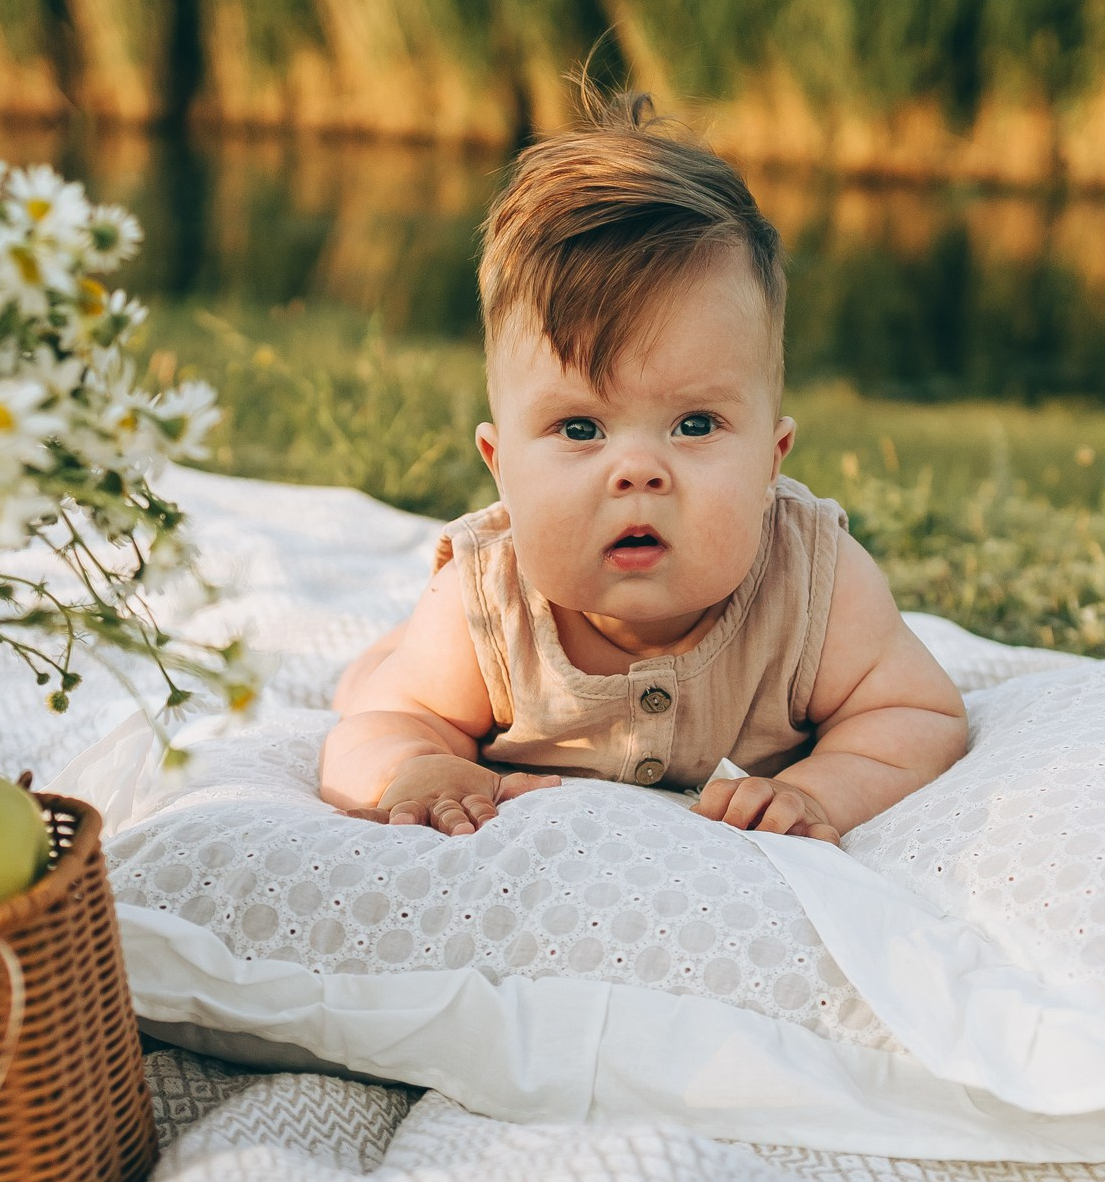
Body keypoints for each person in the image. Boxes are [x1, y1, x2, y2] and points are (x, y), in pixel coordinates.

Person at [319, 93, 969, 842]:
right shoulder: (485, 606)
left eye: (694, 425)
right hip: (428, 664)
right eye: (580, 427)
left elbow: (916, 713)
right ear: (502, 468)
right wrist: (416, 766)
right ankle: (377, 656)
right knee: (374, 686)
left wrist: (820, 790)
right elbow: (381, 729)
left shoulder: (816, 582)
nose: (637, 471)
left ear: (771, 463)